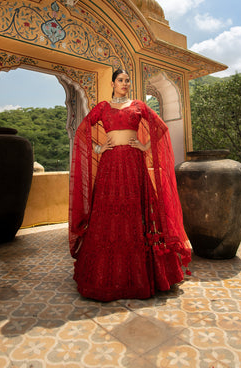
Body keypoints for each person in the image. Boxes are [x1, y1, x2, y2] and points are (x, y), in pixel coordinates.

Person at [69, 68, 191, 302]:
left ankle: (143, 277)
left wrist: (144, 148)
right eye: (120, 80)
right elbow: (83, 130)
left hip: (134, 164)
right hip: (110, 164)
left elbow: (161, 129)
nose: (124, 84)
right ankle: (104, 277)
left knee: (136, 213)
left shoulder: (138, 106)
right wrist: (98, 148)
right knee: (109, 216)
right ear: (113, 83)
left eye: (127, 81)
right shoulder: (103, 107)